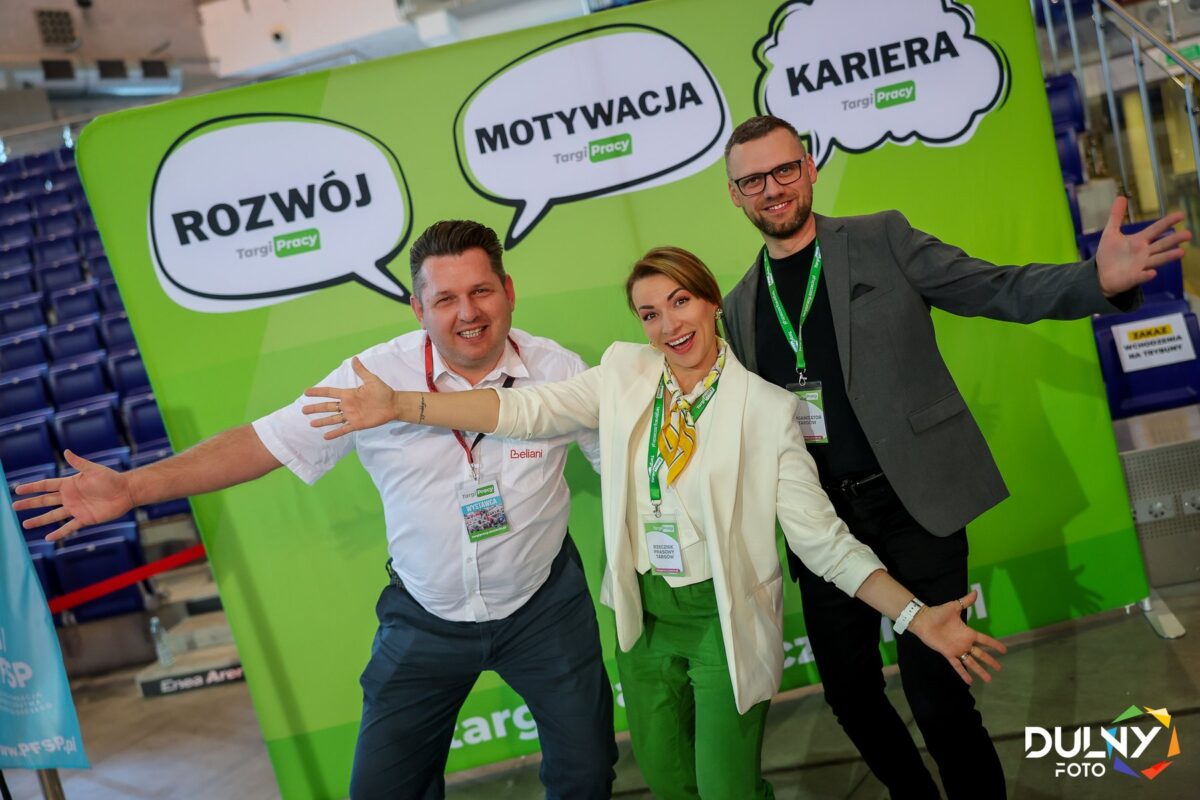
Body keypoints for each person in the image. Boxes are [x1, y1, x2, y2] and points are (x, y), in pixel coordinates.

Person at [299, 245, 1007, 800]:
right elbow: (521, 410)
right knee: (669, 785)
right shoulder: (623, 374)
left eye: (680, 301)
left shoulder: (765, 411)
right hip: (644, 620)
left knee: (727, 790)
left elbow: (823, 542)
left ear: (711, 301)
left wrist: (916, 617)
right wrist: (403, 405)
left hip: (721, 621)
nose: (669, 325)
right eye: (649, 313)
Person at [13, 220, 618, 800]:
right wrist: (132, 488)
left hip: (543, 609)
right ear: (418, 309)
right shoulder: (370, 379)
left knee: (587, 772)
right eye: (446, 299)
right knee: (382, 791)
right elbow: (262, 443)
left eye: (482, 291)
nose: (468, 313)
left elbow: (618, 464)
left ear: (508, 290)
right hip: (426, 616)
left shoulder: (559, 371)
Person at [719, 114, 1192, 799]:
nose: (772, 188)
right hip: (824, 526)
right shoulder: (738, 307)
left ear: (810, 167)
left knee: (938, 694)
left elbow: (993, 286)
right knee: (850, 695)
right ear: (735, 194)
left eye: (784, 169)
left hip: (916, 501)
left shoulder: (881, 238)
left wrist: (1097, 280)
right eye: (753, 180)